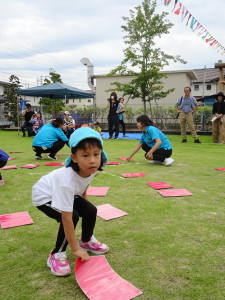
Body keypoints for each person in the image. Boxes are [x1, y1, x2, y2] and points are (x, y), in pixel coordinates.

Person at [32, 127, 109, 277]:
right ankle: (57, 253)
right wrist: (75, 249)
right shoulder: (66, 180)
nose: (92, 160)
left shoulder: (91, 168)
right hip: (44, 196)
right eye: (85, 155)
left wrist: (87, 207)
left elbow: (82, 187)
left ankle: (86, 241)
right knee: (72, 216)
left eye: (96, 154)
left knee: (91, 210)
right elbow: (66, 218)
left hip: (62, 192)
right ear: (74, 157)